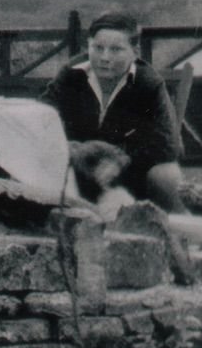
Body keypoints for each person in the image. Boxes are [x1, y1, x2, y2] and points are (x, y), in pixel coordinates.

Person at [42, 12, 185, 212]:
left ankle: (170, 231)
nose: (105, 57)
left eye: (116, 49)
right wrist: (75, 151)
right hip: (76, 172)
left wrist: (121, 162)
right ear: (88, 46)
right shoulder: (71, 75)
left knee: (167, 174)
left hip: (130, 178)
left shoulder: (148, 84)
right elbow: (42, 118)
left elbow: (168, 145)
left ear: (134, 52)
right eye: (97, 48)